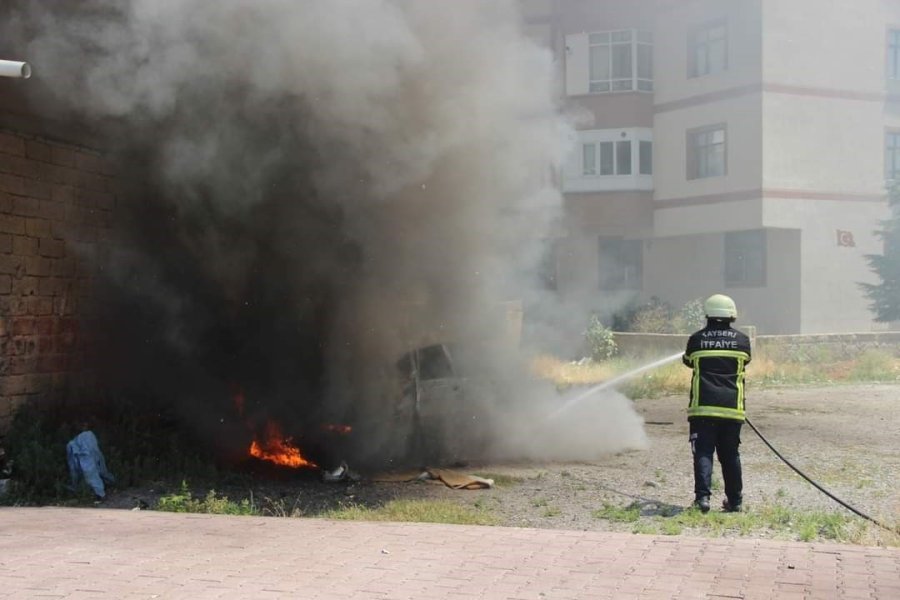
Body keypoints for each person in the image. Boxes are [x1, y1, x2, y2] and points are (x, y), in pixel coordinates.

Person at [682, 294, 751, 513]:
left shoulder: (697, 339)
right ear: (732, 315)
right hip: (732, 409)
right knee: (730, 455)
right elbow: (746, 361)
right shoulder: (742, 341)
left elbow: (688, 360)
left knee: (703, 453)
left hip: (703, 409)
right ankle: (735, 501)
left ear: (708, 314)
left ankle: (703, 500)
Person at [66, 421, 115, 501]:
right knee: (96, 473)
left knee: (93, 474)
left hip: (88, 457)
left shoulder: (86, 436)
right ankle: (101, 491)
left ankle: (101, 493)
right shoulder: (86, 436)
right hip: (90, 456)